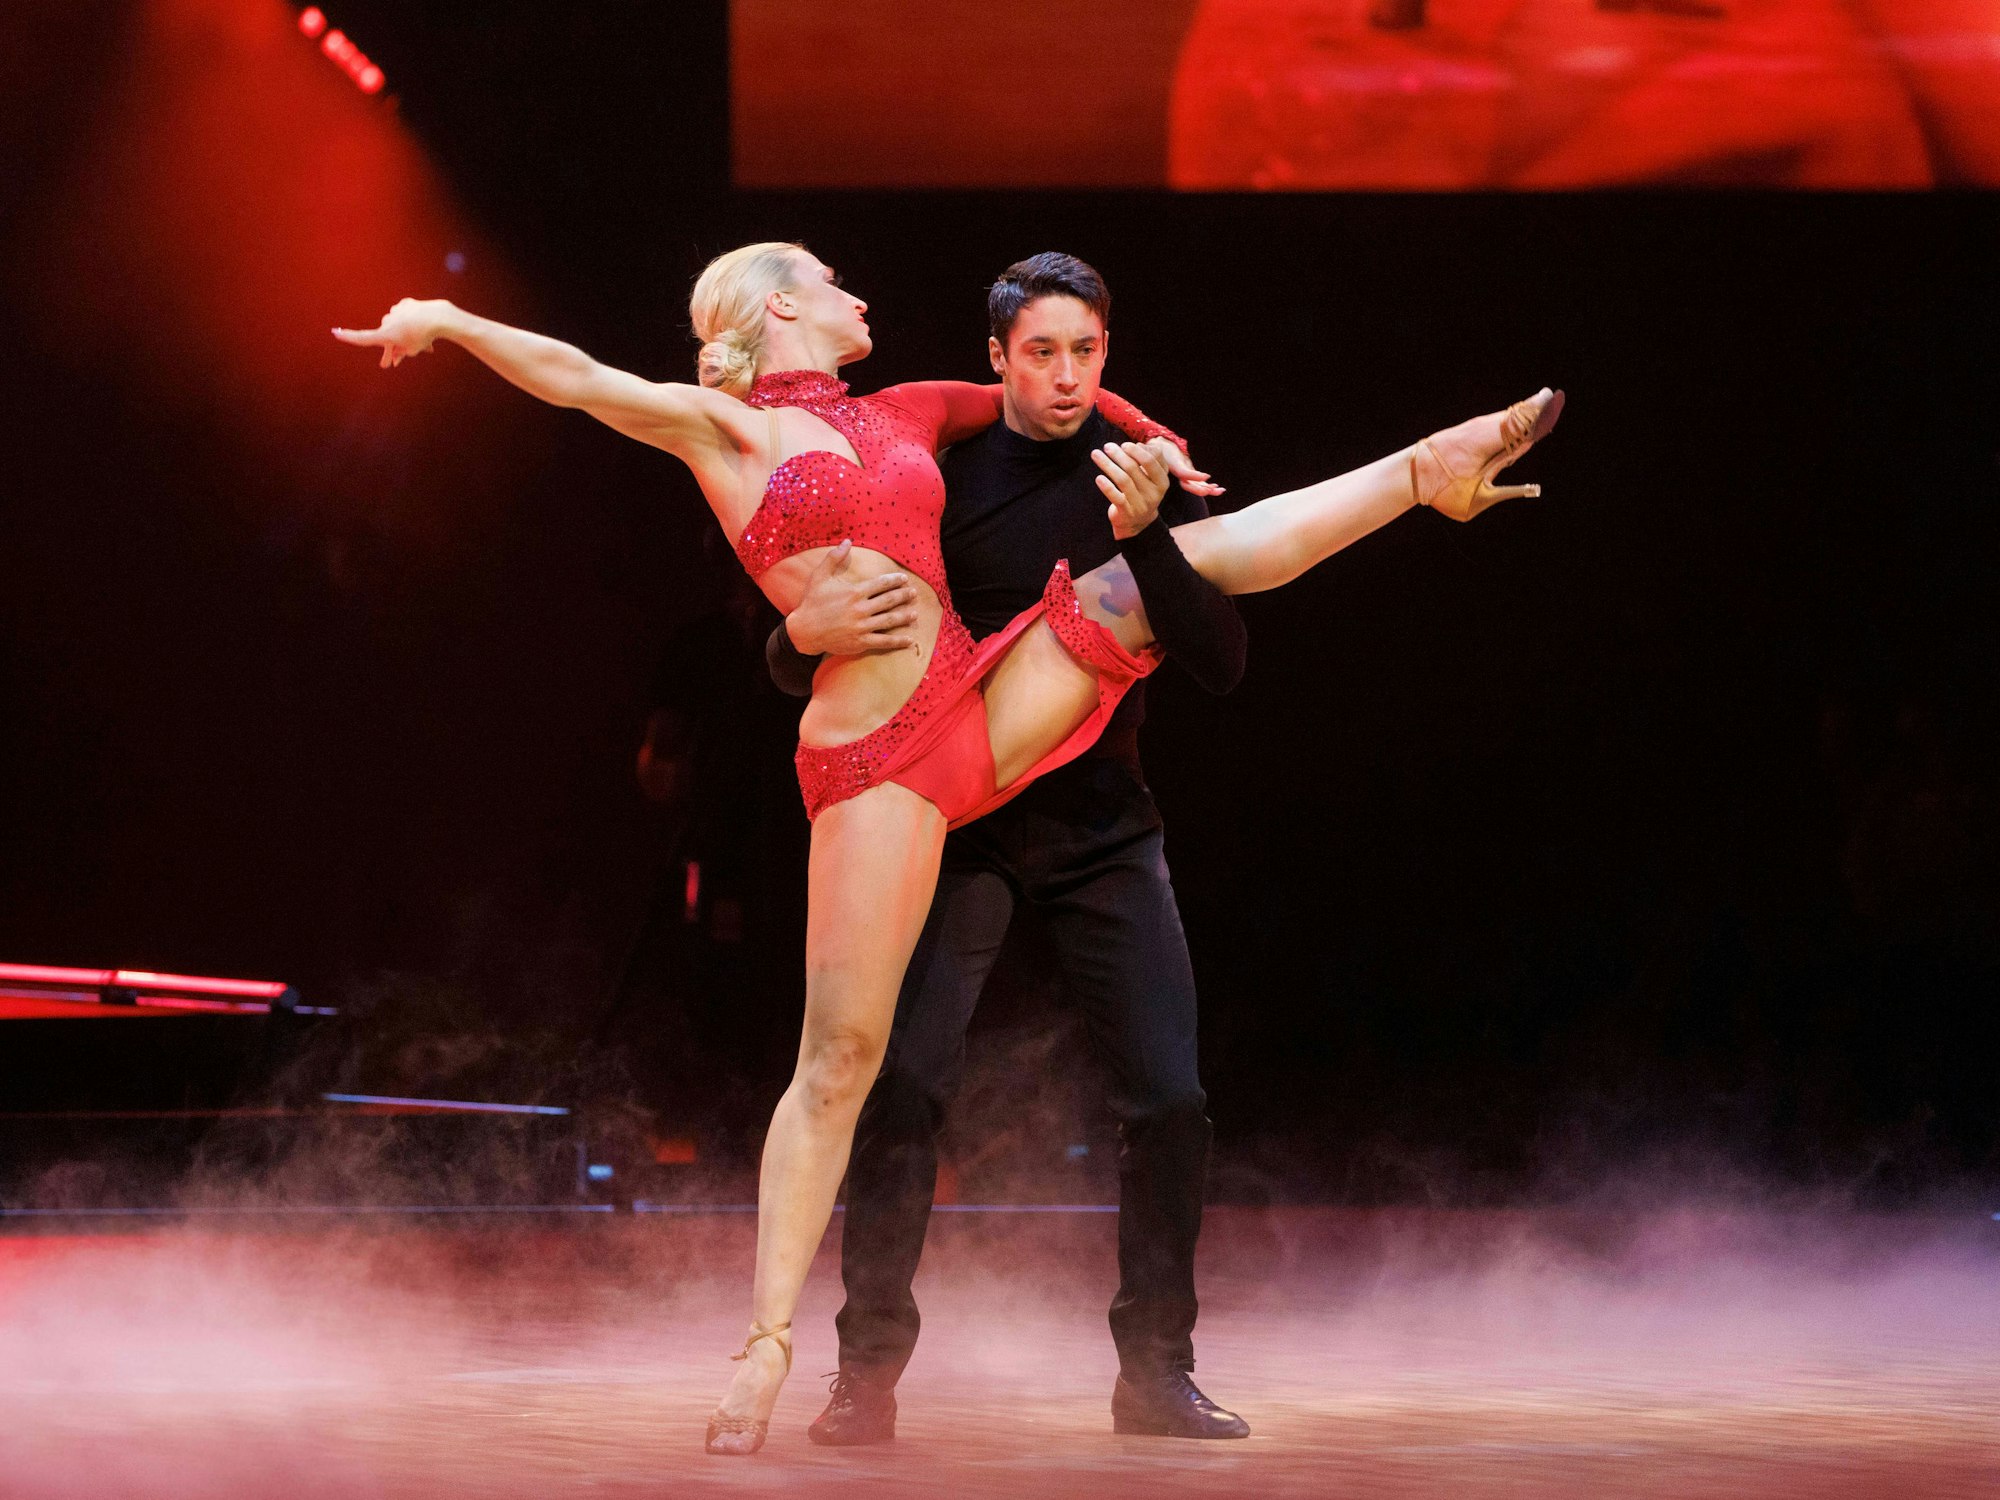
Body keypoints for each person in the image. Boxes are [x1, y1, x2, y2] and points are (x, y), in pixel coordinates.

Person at [332, 240, 1561, 1455]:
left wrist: (1157, 443)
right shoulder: (725, 430)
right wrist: (450, 320)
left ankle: (1420, 472)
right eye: (830, 281)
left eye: (1083, 353)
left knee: (1162, 575)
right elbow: (576, 379)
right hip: (878, 766)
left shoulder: (904, 412)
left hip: (974, 715)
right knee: (845, 1062)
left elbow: (1077, 407)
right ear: (779, 310)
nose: (858, 290)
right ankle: (769, 1347)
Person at [765, 253, 1251, 1443]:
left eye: (1086, 351)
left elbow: (1221, 661)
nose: (1066, 376)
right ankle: (863, 1377)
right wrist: (792, 641)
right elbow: (823, 642)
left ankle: (1155, 1375)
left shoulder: (1140, 472)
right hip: (954, 827)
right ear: (996, 358)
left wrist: (1149, 537)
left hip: (1100, 827)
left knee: (1171, 1100)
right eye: (1040, 352)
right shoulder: (936, 475)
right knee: (898, 1089)